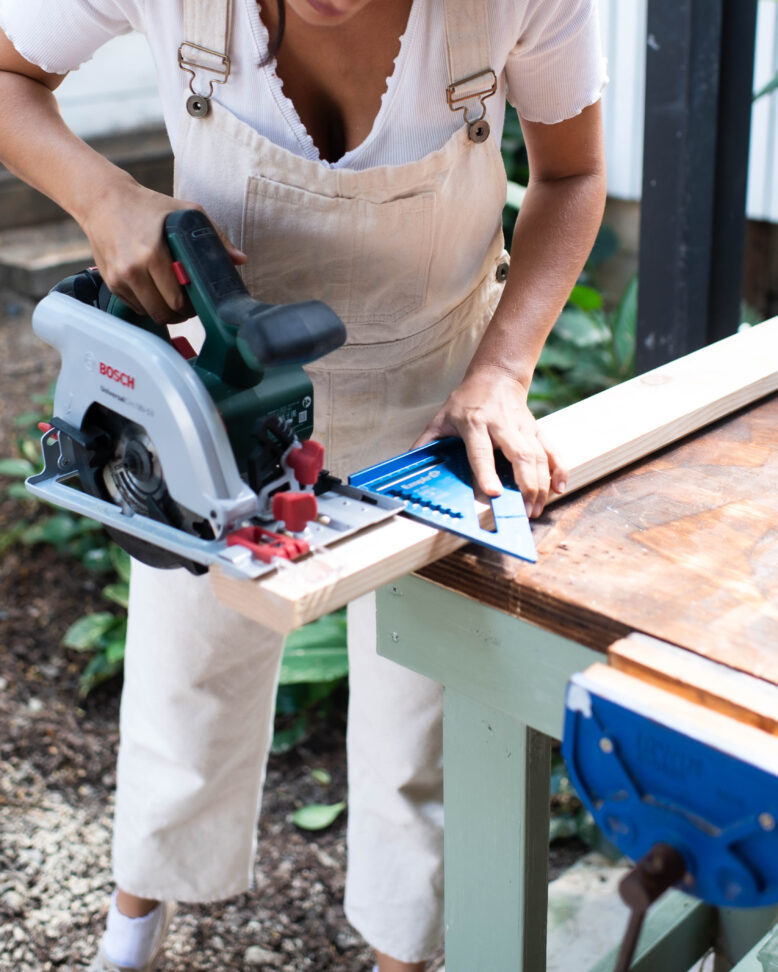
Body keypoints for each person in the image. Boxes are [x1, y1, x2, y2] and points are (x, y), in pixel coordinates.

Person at [0, 0, 607, 968]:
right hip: (220, 406)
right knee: (183, 680)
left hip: (434, 404)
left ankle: (405, 956)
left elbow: (572, 177)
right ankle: (129, 938)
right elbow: (8, 78)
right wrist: (104, 196)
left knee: (425, 723)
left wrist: (501, 374)